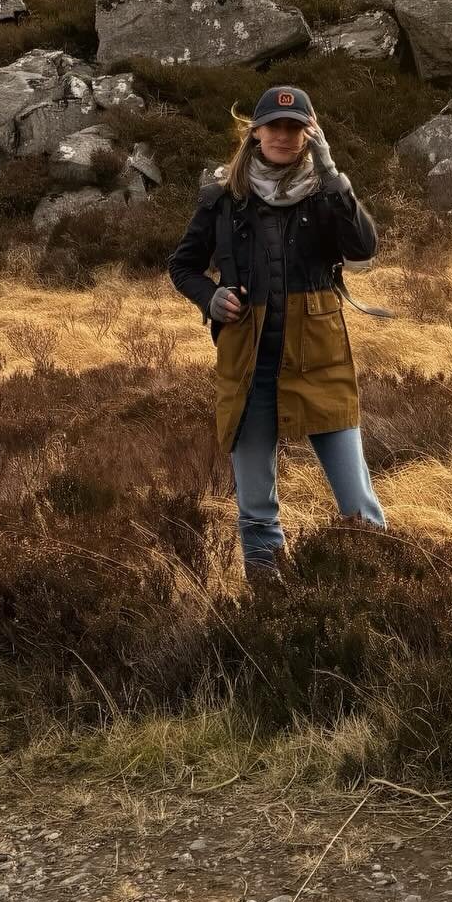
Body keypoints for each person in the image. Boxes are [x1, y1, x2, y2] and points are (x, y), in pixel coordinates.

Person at [167, 84, 385, 581]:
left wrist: (333, 176)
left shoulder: (326, 192)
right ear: (256, 132)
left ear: (310, 135)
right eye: (275, 126)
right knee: (257, 511)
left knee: (359, 504)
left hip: (320, 359)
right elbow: (183, 267)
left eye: (296, 127)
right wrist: (210, 298)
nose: (284, 136)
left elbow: (364, 248)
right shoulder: (222, 199)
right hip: (248, 365)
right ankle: (268, 611)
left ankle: (377, 598)